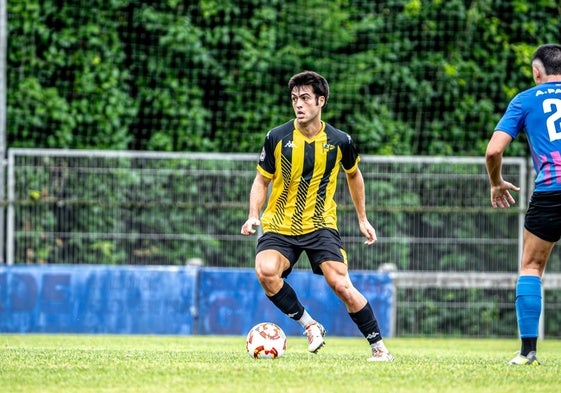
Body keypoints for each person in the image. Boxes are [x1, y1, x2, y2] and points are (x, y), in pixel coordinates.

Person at [240, 70, 393, 362]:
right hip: (279, 225)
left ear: (320, 101)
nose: (298, 104)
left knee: (340, 284)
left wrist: (363, 219)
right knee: (265, 270)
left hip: (320, 224)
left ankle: (378, 347)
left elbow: (354, 176)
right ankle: (309, 325)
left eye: (305, 98)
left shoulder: (340, 141)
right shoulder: (277, 137)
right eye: (295, 98)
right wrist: (252, 215)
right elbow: (262, 180)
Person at [485, 43, 561, 366]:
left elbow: (493, 151)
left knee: (531, 268)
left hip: (549, 191)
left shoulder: (526, 100)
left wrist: (496, 182)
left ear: (536, 72)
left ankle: (528, 352)